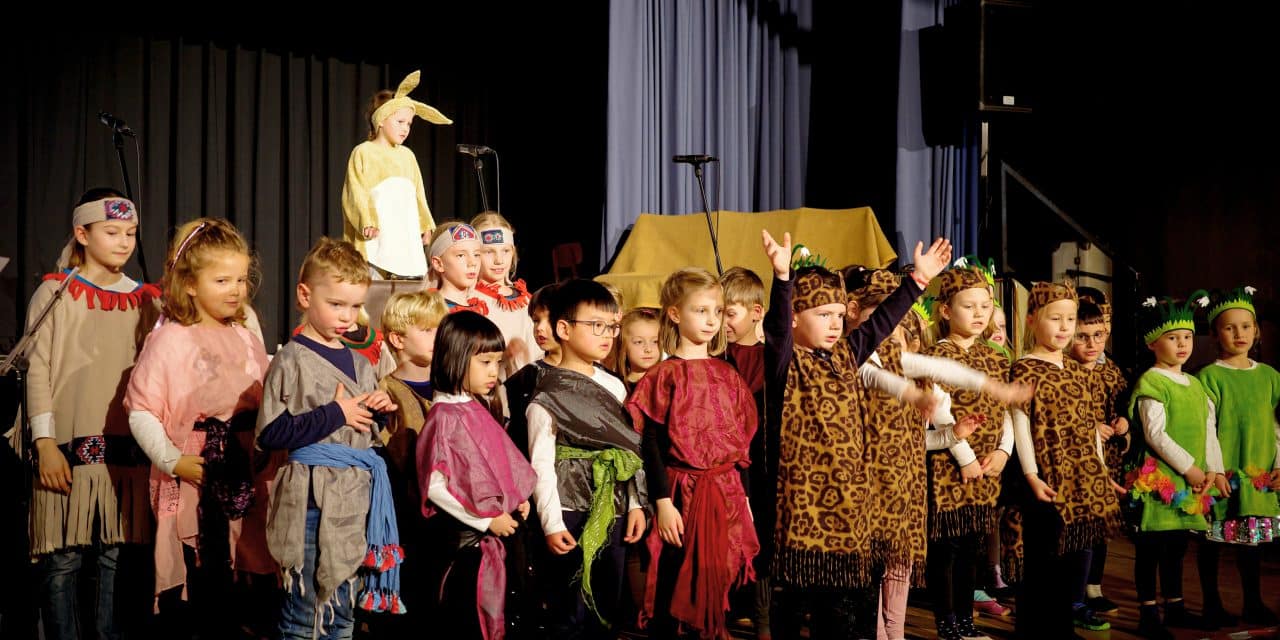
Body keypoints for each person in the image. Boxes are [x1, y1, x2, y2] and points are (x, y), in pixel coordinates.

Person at [762, 232, 953, 640]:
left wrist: (917, 281)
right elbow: (777, 329)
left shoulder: (847, 356)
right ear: (795, 316)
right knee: (795, 610)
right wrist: (781, 278)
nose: (834, 324)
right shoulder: (787, 363)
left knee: (847, 618)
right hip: (803, 518)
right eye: (821, 315)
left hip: (851, 515)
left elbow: (882, 323)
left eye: (837, 315)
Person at [125, 218, 279, 638]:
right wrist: (172, 461)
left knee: (249, 572)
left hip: (247, 466)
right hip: (199, 472)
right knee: (206, 576)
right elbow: (141, 410)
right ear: (190, 283)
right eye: (222, 280)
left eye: (242, 280)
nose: (236, 290)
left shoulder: (246, 334)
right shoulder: (171, 338)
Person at [20, 190, 158, 640]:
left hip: (124, 453)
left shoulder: (146, 301)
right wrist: (43, 444)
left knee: (113, 557)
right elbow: (37, 370)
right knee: (64, 559)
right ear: (82, 233)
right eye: (112, 232)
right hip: (65, 449)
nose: (124, 242)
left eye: (131, 233)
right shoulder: (55, 293)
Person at [256, 237, 402, 639]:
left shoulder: (360, 361)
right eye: (336, 304)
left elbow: (366, 435)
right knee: (305, 606)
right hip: (310, 498)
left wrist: (380, 412)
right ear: (305, 295)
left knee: (343, 607)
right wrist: (335, 412)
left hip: (355, 496)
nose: (347, 316)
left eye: (355, 306)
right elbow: (271, 432)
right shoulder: (292, 358)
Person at [626, 267, 759, 639]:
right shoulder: (664, 373)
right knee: (676, 580)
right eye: (700, 311)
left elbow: (740, 443)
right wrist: (662, 501)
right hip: (681, 492)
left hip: (724, 489)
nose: (711, 320)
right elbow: (649, 441)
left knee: (719, 581)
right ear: (674, 313)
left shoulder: (727, 370)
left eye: (717, 311)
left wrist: (744, 496)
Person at [527, 279, 648, 638]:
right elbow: (541, 465)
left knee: (609, 601)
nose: (607, 335)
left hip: (612, 505)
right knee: (571, 606)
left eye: (612, 326)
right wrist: (551, 523)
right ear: (563, 329)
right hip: (570, 508)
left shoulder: (615, 386)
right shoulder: (546, 395)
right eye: (595, 326)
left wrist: (636, 504)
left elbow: (626, 452)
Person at [1010, 281, 1122, 638]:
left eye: (1069, 320)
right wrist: (1030, 473)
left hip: (1081, 477)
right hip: (1045, 476)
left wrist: (1101, 471)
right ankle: (1033, 628)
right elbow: (1021, 424)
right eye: (1055, 318)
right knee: (1044, 559)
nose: (1063, 328)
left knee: (1072, 560)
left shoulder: (1075, 370)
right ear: (1031, 320)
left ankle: (1061, 625)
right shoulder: (1024, 368)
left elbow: (1090, 427)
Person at [416, 311, 536, 638]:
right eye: (484, 363)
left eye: (497, 363)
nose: (493, 373)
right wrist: (486, 520)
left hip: (500, 535)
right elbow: (437, 486)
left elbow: (495, 464)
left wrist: (516, 498)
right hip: (468, 546)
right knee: (474, 618)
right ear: (456, 358)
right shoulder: (444, 417)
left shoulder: (475, 407)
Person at [1127, 291, 1227, 639]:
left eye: (1186, 337)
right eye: (1173, 338)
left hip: (1192, 481)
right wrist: (1189, 467)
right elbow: (1156, 434)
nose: (1182, 344)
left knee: (1176, 547)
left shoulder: (1197, 385)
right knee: (1152, 548)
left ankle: (1176, 606)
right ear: (1153, 343)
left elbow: (1207, 431)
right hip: (1160, 480)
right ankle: (1147, 613)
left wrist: (1212, 469)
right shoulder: (1152, 381)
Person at [1197, 284, 1280, 627]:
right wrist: (1215, 471)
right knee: (1212, 540)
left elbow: (1277, 428)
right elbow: (1206, 428)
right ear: (1216, 334)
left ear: (1257, 331)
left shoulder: (1270, 377)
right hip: (1224, 474)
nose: (1239, 334)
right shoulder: (1210, 376)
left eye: (1246, 326)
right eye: (1229, 328)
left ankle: (1252, 601)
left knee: (1251, 543)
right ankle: (1211, 604)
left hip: (1258, 472)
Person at [342, 70, 451, 279]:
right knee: (372, 288)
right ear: (381, 120)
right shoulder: (364, 152)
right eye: (400, 122)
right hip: (375, 239)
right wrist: (367, 221)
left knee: (404, 293)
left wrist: (425, 225)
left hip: (403, 241)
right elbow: (356, 192)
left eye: (409, 124)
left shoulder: (407, 156)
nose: (406, 128)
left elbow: (418, 194)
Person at [1066, 299, 1131, 617]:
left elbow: (1125, 407)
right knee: (1081, 531)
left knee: (1102, 527)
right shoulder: (1065, 373)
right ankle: (1074, 594)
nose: (1092, 344)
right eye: (1082, 336)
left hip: (1111, 463)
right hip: (1079, 466)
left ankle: (1094, 588)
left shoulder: (1112, 372)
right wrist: (1090, 428)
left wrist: (1124, 425)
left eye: (1098, 335)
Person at [472, 212, 542, 375]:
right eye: (489, 252)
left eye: (505, 251)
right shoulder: (470, 301)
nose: (499, 260)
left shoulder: (528, 300)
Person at [609, 307, 662, 394]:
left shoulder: (667, 382)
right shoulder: (618, 388)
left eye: (655, 341)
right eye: (639, 342)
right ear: (624, 347)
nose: (648, 349)